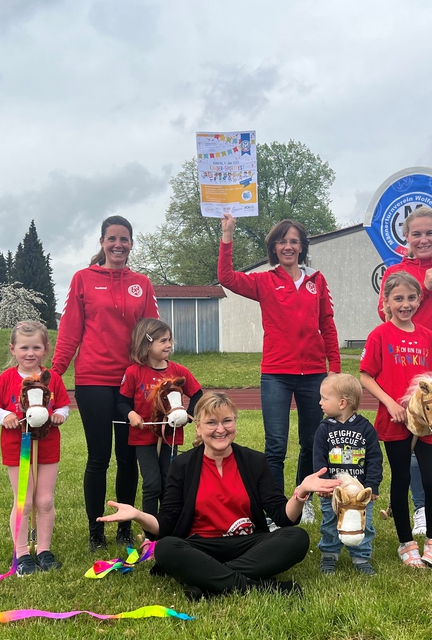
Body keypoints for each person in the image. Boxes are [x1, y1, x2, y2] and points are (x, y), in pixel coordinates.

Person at [97, 392, 341, 600]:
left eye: (227, 421)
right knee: (167, 548)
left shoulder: (254, 461)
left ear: (235, 423)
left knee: (296, 538)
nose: (220, 429)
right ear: (199, 427)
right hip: (201, 546)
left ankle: (209, 582)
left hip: (248, 544)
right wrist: (139, 515)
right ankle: (258, 586)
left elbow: (282, 517)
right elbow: (168, 523)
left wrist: (301, 493)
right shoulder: (183, 465)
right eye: (212, 422)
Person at [218, 213, 341, 525]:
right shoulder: (265, 281)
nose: (288, 246)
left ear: (302, 246)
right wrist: (227, 236)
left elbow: (327, 324)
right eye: (282, 241)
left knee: (312, 442)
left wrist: (334, 368)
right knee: (276, 446)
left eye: (294, 241)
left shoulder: (318, 280)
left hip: (314, 374)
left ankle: (305, 498)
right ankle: (275, 509)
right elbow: (227, 278)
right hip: (276, 374)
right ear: (274, 247)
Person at [53, 215, 159, 552]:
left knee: (128, 459)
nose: (118, 245)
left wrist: (162, 373)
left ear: (131, 244)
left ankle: (125, 529)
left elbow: (153, 333)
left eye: (124, 239)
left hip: (132, 383)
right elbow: (70, 331)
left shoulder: (141, 282)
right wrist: (53, 375)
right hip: (93, 381)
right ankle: (95, 532)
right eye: (112, 238)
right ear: (101, 242)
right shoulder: (83, 279)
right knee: (98, 457)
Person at [376, 206, 432, 540]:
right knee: (415, 438)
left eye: (430, 232)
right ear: (406, 236)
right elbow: (384, 313)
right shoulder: (397, 271)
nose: (424, 239)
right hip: (411, 370)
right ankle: (420, 509)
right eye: (417, 233)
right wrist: (425, 287)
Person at [360, 272, 432, 569]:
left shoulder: (428, 337)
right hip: (394, 419)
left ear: (419, 299)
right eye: (398, 298)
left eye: (411, 298)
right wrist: (389, 402)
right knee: (402, 479)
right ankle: (406, 542)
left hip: (426, 424)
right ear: (386, 301)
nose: (405, 304)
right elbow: (365, 375)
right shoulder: (380, 335)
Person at [0, 320, 70, 576]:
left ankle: (43, 549)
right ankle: (21, 553)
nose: (30, 353)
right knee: (23, 500)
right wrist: (4, 417)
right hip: (17, 447)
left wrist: (60, 416)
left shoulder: (52, 378)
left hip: (47, 446)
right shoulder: (6, 378)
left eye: (36, 347)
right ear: (13, 349)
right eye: (24, 348)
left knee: (44, 500)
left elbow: (63, 405)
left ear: (45, 348)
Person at [117, 318, 203, 518]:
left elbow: (198, 393)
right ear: (147, 343)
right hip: (143, 438)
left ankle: (168, 525)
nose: (168, 345)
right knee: (152, 484)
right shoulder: (133, 372)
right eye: (163, 341)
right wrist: (131, 414)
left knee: (168, 481)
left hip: (170, 437)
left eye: (169, 340)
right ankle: (150, 532)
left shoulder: (178, 371)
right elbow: (121, 402)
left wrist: (188, 415)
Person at [313, 373, 383, 576]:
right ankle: (329, 555)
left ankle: (361, 557)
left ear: (342, 403)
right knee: (329, 522)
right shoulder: (323, 429)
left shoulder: (366, 429)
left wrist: (373, 486)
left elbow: (374, 460)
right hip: (334, 492)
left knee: (364, 523)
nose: (320, 402)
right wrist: (323, 483)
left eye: (325, 398)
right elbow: (318, 458)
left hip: (359, 492)